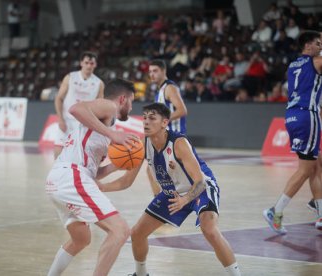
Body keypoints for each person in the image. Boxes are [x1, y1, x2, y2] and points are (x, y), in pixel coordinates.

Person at [99, 103, 241, 276]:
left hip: (199, 188)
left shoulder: (179, 143)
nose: (145, 122)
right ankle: (141, 274)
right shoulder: (142, 145)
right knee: (137, 233)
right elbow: (126, 181)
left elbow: (200, 182)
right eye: (144, 117)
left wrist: (185, 199)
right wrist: (101, 187)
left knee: (209, 229)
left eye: (152, 118)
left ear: (165, 123)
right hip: (172, 193)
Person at [46, 79, 139, 276]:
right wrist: (113, 135)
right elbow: (75, 109)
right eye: (131, 101)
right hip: (71, 176)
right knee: (120, 230)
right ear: (122, 99)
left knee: (81, 239)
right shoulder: (109, 106)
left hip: (61, 178)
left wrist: (117, 165)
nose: (131, 107)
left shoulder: (100, 124)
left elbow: (93, 172)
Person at [263, 31, 322, 234]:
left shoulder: (293, 65)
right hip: (308, 115)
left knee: (314, 165)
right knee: (306, 169)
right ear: (307, 45)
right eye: (318, 43)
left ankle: (321, 214)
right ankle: (275, 211)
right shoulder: (316, 62)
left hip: (291, 115)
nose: (320, 46)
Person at [147, 59, 188, 197]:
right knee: (152, 169)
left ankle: (161, 202)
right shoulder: (160, 90)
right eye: (150, 72)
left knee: (171, 174)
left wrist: (161, 122)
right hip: (166, 138)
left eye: (155, 71)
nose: (151, 74)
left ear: (164, 71)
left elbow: (182, 110)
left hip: (175, 137)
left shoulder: (169, 88)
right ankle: (159, 201)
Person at [54, 51, 104, 158]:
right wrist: (60, 119)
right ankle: (56, 170)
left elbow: (100, 107)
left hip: (85, 123)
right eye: (86, 63)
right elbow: (59, 98)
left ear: (95, 65)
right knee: (59, 146)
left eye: (91, 63)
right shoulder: (70, 77)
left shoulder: (98, 83)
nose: (89, 66)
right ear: (81, 63)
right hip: (67, 120)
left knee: (81, 153)